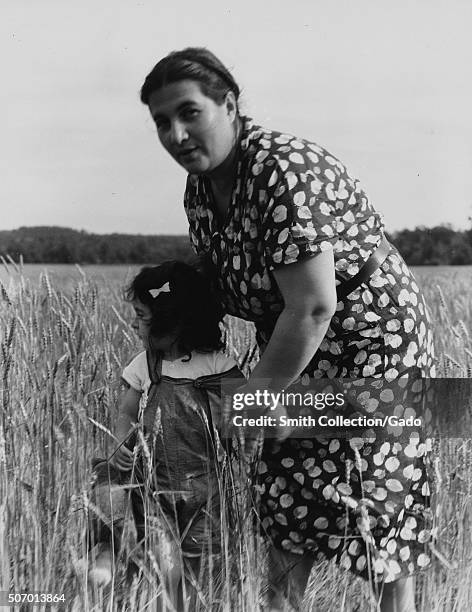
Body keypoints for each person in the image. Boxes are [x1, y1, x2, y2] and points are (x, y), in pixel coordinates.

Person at [139, 48, 436, 612]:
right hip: (296, 346)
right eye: (161, 122)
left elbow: (314, 305)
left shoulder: (281, 167)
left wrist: (258, 398)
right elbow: (217, 279)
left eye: (189, 113)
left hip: (371, 341)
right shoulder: (200, 191)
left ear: (229, 105)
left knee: (375, 497)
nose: (176, 134)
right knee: (286, 493)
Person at [87, 260, 242, 610]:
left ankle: (183, 604)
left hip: (205, 487)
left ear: (174, 320)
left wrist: (231, 419)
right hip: (155, 482)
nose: (134, 323)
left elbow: (242, 412)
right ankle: (108, 553)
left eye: (142, 316)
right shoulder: (146, 364)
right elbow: (126, 411)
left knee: (195, 563)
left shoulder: (217, 363)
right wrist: (121, 444)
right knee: (161, 557)